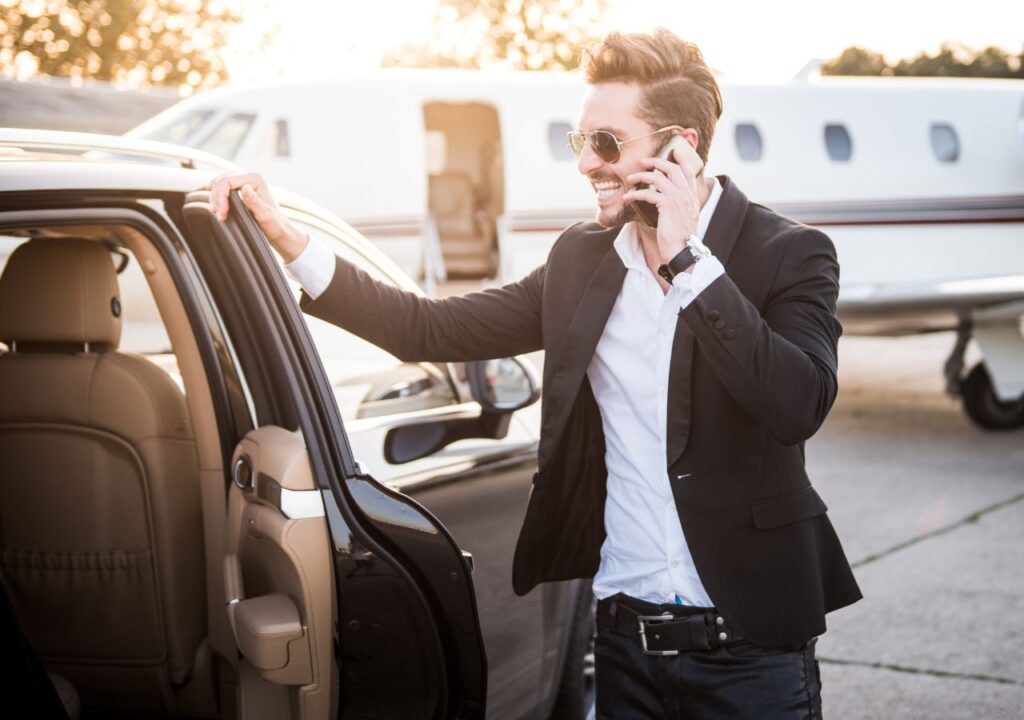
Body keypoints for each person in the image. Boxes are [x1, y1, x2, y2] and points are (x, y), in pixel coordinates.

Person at [208, 27, 861, 719]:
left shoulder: (789, 254)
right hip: (623, 646)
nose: (585, 164)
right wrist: (287, 239)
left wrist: (688, 262)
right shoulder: (583, 261)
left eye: (606, 143)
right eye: (581, 141)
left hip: (751, 652)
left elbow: (798, 403)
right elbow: (427, 327)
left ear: (681, 149)